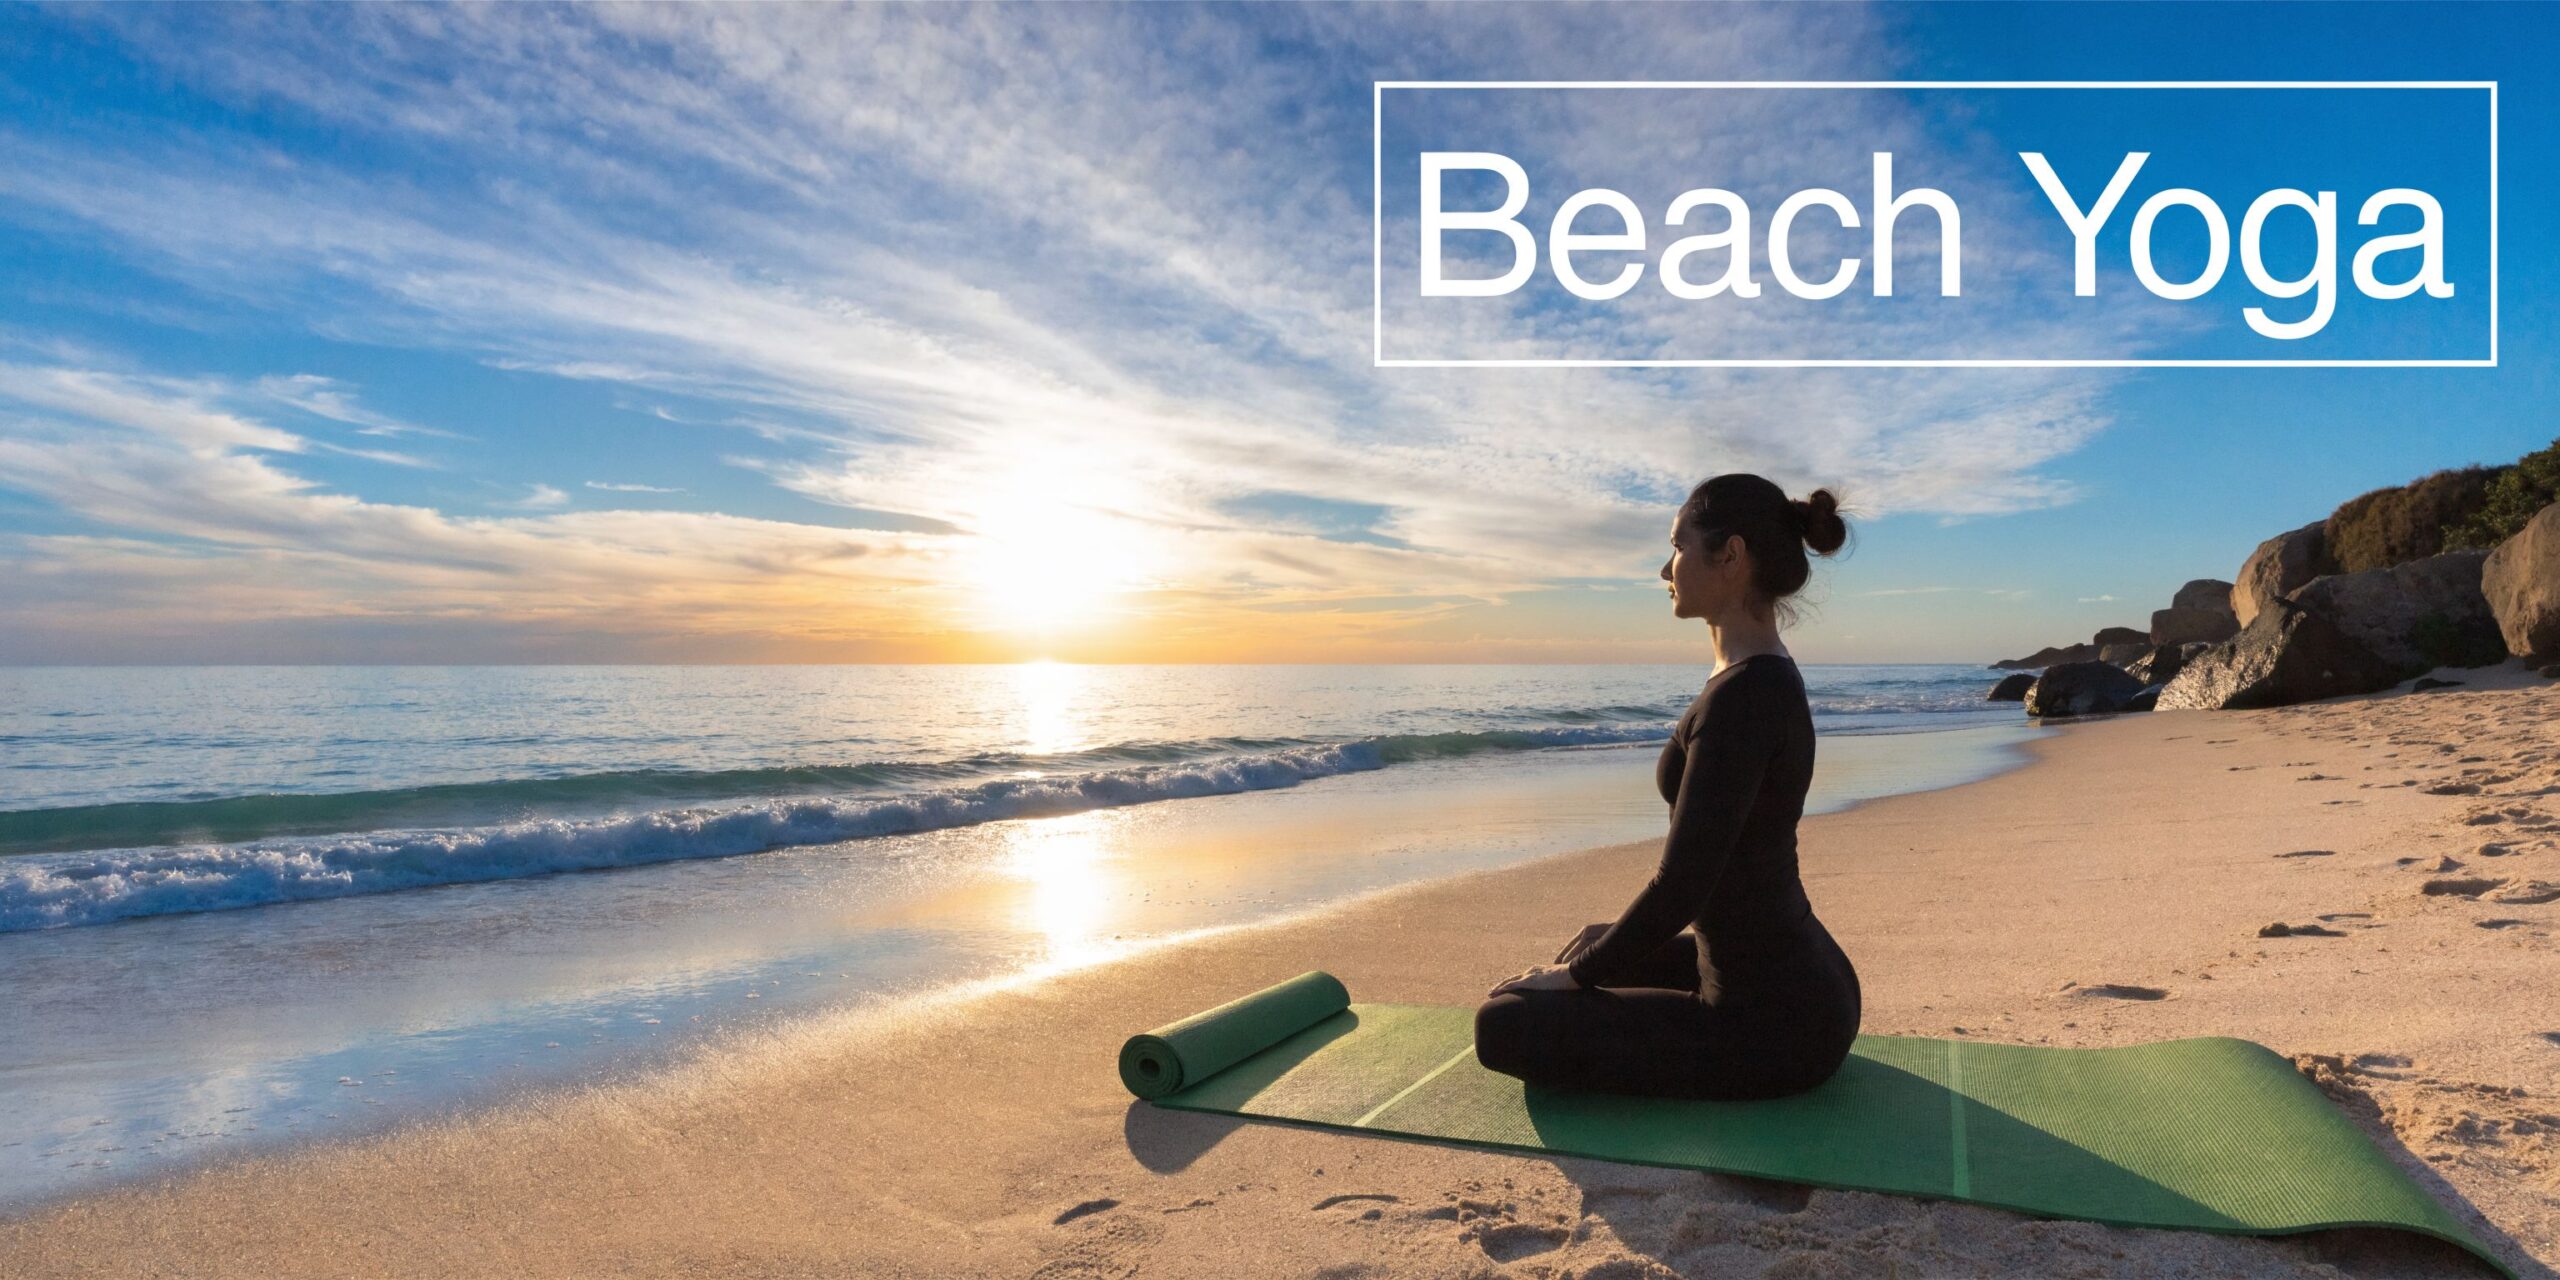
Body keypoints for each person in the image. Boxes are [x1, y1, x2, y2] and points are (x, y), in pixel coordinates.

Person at [1473, 473, 1861, 1101]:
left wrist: (1577, 979)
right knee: (1592, 943)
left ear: (1730, 556)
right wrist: (1594, 959)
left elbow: (1682, 883)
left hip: (1772, 1026)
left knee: (1502, 1025)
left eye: (1678, 547)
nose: (1665, 569)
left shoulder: (1745, 697)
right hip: (1790, 975)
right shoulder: (1755, 676)